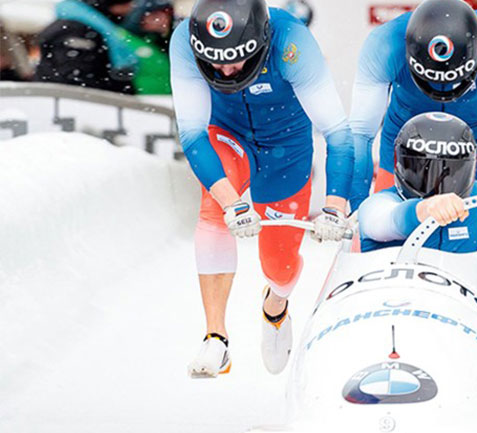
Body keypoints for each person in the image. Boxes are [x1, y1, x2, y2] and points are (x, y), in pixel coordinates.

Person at [171, 0, 354, 377]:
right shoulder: (183, 42)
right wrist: (230, 202)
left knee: (279, 265)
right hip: (227, 133)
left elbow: (338, 133)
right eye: (215, 62)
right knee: (215, 208)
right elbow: (191, 135)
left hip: (285, 147)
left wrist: (335, 205)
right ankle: (215, 338)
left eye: (236, 60)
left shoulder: (293, 43)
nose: (225, 69)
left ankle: (276, 304)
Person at [349, 0, 477, 212]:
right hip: (408, 145)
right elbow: (361, 134)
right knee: (385, 230)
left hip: (476, 141)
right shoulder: (385, 44)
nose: (444, 91)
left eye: (454, 80)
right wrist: (358, 208)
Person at [359, 112, 477, 293]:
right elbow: (383, 222)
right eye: (423, 170)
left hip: (459, 305)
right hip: (390, 300)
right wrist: (424, 208)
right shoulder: (379, 204)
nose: (437, 184)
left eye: (450, 173)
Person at [35, 0, 175, 94]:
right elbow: (75, 79)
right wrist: (124, 90)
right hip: (78, 107)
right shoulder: (78, 30)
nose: (132, 7)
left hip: (82, 104)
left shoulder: (97, 27)